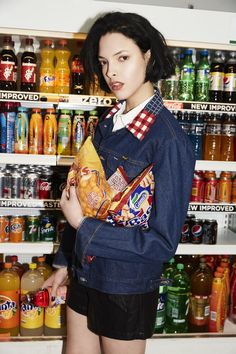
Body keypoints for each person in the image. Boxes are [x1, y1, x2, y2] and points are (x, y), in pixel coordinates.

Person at [43, 11, 195, 354]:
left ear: (148, 55)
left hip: (125, 283)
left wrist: (82, 224)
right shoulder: (108, 124)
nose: (111, 72)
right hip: (85, 273)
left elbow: (161, 243)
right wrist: (64, 265)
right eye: (103, 62)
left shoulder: (168, 140)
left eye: (122, 58)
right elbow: (85, 198)